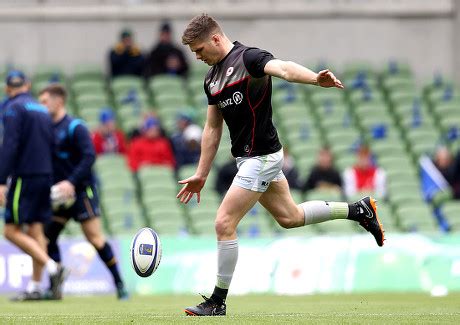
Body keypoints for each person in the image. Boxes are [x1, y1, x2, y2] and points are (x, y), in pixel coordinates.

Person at [176, 14, 385, 316]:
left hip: (263, 157)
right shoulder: (211, 80)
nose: (197, 56)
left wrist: (315, 79)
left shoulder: (249, 58)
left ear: (216, 39)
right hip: (248, 159)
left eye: (199, 49)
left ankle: (217, 301)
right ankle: (358, 210)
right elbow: (212, 128)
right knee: (290, 217)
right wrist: (200, 173)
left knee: (224, 223)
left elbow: (284, 68)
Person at [38, 84, 128, 300]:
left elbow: (89, 157)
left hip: (80, 192)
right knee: (47, 236)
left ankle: (119, 283)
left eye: (45, 101)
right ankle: (54, 287)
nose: (42, 105)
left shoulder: (75, 127)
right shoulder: (45, 128)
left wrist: (70, 182)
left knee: (95, 238)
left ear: (58, 101)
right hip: (58, 196)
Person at [0, 71, 67, 301]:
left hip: (25, 177)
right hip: (45, 176)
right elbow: (52, 144)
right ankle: (36, 286)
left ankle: (52, 266)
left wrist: (1, 180)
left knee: (10, 231)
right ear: (27, 86)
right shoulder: (41, 109)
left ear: (8, 89)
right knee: (36, 231)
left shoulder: (12, 108)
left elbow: (9, 145)